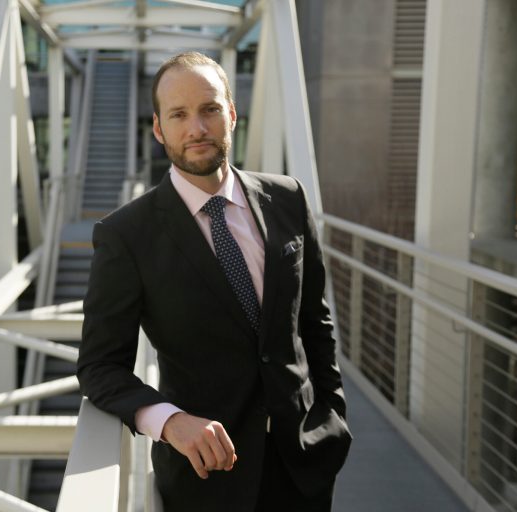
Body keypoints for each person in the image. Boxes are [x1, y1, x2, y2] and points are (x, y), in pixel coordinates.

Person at [77, 51, 351, 511]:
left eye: (209, 109)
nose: (197, 128)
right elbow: (100, 366)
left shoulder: (288, 198)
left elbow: (314, 321)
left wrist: (333, 415)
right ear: (158, 128)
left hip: (306, 464)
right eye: (179, 115)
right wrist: (169, 421)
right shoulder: (126, 235)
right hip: (207, 482)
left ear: (232, 114)